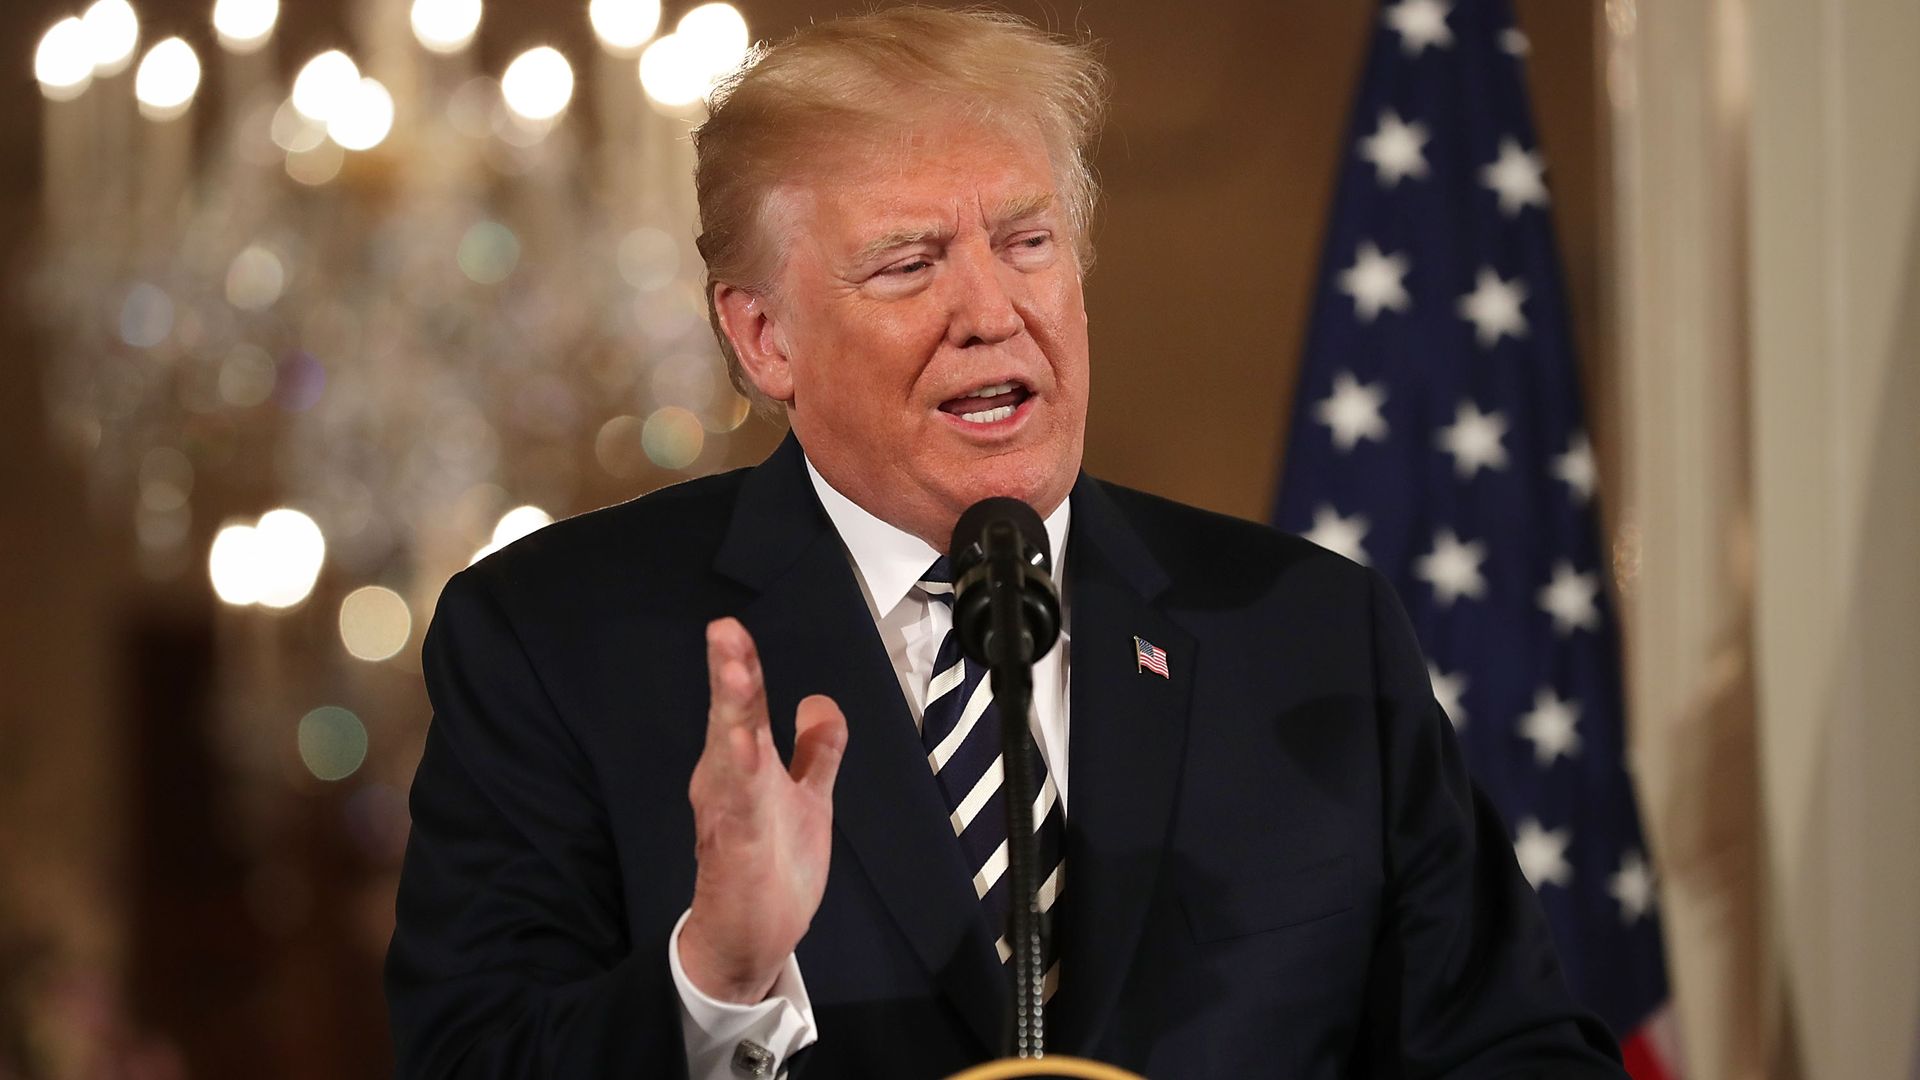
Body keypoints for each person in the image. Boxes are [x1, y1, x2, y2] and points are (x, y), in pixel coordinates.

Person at [385, 8, 1626, 1078]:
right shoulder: (558, 645)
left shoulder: (1307, 636)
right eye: (909, 263)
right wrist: (723, 970)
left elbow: (1513, 1052)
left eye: (1028, 242)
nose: (994, 311)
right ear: (765, 340)